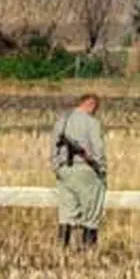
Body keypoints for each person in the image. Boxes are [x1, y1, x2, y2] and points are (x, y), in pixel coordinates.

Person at [50, 93, 107, 248]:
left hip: (64, 171)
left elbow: (53, 147)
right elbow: (98, 150)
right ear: (91, 104)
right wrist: (101, 169)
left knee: (67, 212)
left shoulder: (62, 121)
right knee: (91, 213)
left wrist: (57, 167)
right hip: (86, 170)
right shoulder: (92, 123)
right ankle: (88, 250)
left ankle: (63, 248)